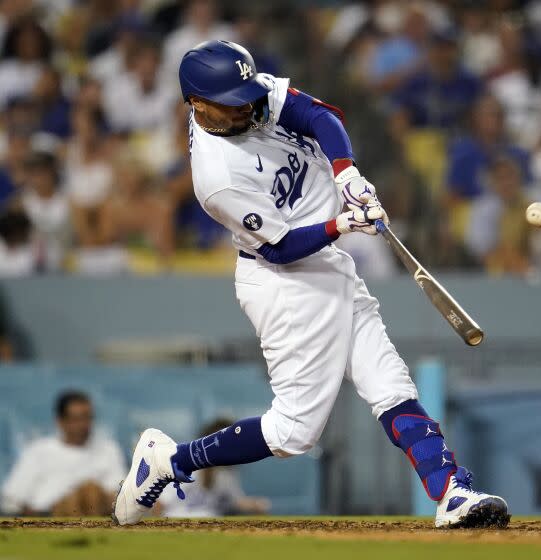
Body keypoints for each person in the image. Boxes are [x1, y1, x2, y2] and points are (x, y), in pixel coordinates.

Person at [112, 40, 509, 529]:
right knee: (293, 432)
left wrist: (347, 176)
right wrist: (341, 224)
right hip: (284, 280)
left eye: (247, 93)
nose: (248, 106)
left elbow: (318, 115)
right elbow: (278, 248)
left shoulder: (247, 95)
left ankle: (452, 493)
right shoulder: (216, 177)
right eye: (233, 102)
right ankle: (171, 461)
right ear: (198, 105)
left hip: (327, 261)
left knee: (390, 384)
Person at [1, 390, 125, 515]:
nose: (83, 425)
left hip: (98, 515)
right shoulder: (39, 451)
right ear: (60, 421)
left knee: (91, 492)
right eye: (76, 419)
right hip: (47, 517)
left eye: (87, 418)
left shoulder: (108, 450)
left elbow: (119, 494)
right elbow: (12, 499)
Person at [158, 418, 270, 518]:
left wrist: (255, 504)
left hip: (211, 524)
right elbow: (160, 504)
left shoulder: (224, 475)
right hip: (176, 522)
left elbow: (236, 502)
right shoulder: (185, 468)